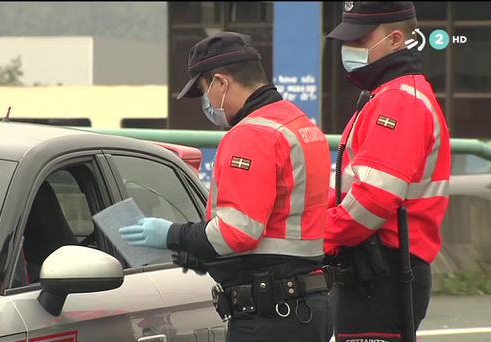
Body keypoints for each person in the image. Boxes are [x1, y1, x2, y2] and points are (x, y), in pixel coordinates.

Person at [119, 31, 333, 341]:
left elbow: (238, 231)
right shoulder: (298, 124)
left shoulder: (251, 135)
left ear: (221, 83)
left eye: (205, 91)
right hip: (306, 306)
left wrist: (170, 233)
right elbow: (280, 228)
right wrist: (201, 254)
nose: (207, 103)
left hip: (270, 315)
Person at [324, 2, 451, 341]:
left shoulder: (399, 101)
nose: (349, 49)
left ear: (395, 40)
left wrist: (314, 236)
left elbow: (372, 200)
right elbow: (351, 187)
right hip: (376, 266)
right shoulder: (389, 95)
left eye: (361, 39)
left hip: (382, 269)